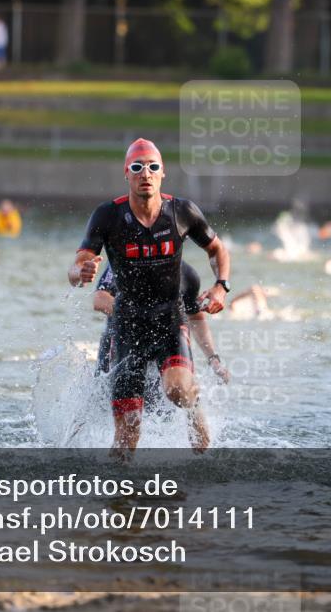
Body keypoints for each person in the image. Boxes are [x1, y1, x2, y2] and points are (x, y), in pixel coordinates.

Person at [68, 138, 231, 457]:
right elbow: (77, 268)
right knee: (128, 433)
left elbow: (217, 250)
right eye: (138, 167)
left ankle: (194, 409)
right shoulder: (107, 216)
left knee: (178, 390)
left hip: (169, 324)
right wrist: (81, 273)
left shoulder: (182, 212)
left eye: (153, 167)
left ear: (162, 174)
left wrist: (221, 286)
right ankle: (119, 499)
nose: (146, 173)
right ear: (126, 174)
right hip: (127, 330)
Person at [93, 262, 231, 385]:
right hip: (120, 343)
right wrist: (142, 316)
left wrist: (213, 359)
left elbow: (195, 316)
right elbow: (99, 300)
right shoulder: (121, 260)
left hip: (162, 347)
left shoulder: (187, 275)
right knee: (106, 403)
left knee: (175, 397)